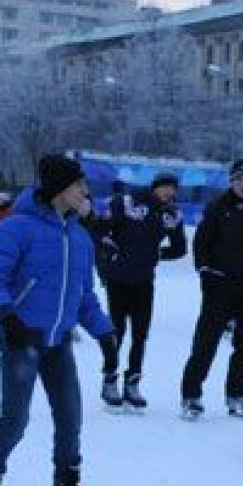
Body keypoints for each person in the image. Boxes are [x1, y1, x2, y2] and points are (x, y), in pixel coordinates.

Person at [0, 154, 117, 486]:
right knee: (15, 420)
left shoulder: (79, 237)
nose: (85, 191)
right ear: (60, 189)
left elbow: (83, 297)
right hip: (22, 339)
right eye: (79, 184)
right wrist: (8, 318)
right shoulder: (17, 228)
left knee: (70, 418)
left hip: (58, 343)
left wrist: (105, 334)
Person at [179, 159, 243, 420]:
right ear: (231, 182)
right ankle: (191, 394)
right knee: (206, 341)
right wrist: (205, 271)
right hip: (219, 285)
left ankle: (236, 394)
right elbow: (201, 243)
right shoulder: (217, 207)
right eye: (238, 181)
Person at [89, 174, 188, 410]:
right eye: (164, 188)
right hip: (118, 278)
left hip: (144, 280)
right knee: (117, 331)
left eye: (172, 190)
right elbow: (98, 229)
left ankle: (132, 382)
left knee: (140, 334)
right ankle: (109, 379)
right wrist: (109, 253)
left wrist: (155, 255)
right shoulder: (127, 202)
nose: (167, 193)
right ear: (154, 187)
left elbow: (180, 248)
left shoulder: (171, 215)